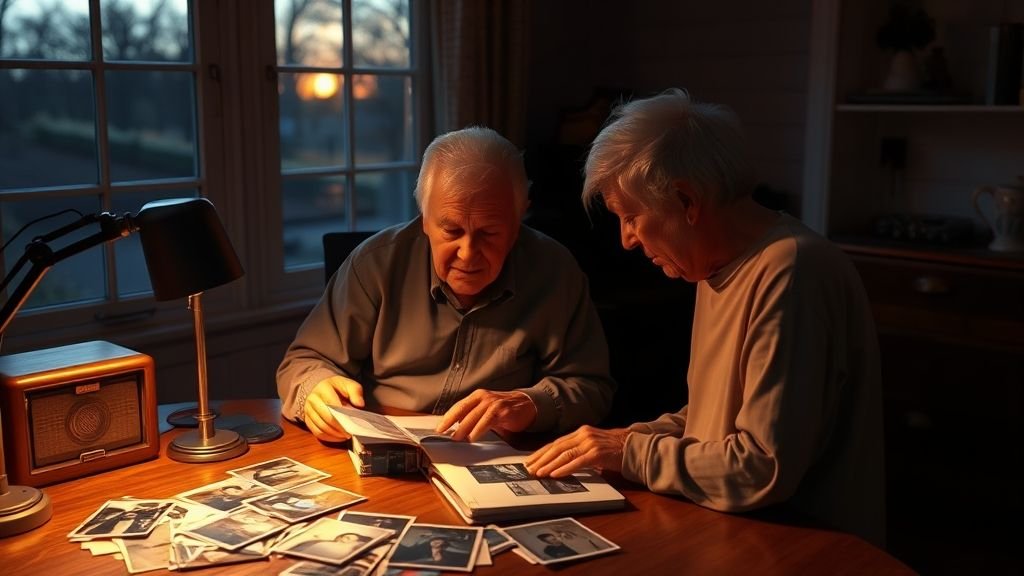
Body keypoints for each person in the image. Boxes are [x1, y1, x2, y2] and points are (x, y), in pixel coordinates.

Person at [525, 88, 885, 547]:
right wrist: (617, 439)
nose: (627, 240)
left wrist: (629, 451)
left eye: (631, 216)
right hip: (737, 532)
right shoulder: (714, 264)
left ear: (686, 201)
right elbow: (713, 421)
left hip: (806, 548)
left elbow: (759, 468)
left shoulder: (791, 272)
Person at [277, 126, 616, 442]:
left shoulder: (555, 271)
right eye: (452, 231)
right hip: (384, 449)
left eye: (489, 233)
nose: (468, 254)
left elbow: (591, 387)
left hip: (495, 454)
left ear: (519, 217)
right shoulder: (374, 264)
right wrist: (315, 389)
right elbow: (303, 361)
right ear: (424, 219)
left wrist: (531, 404)